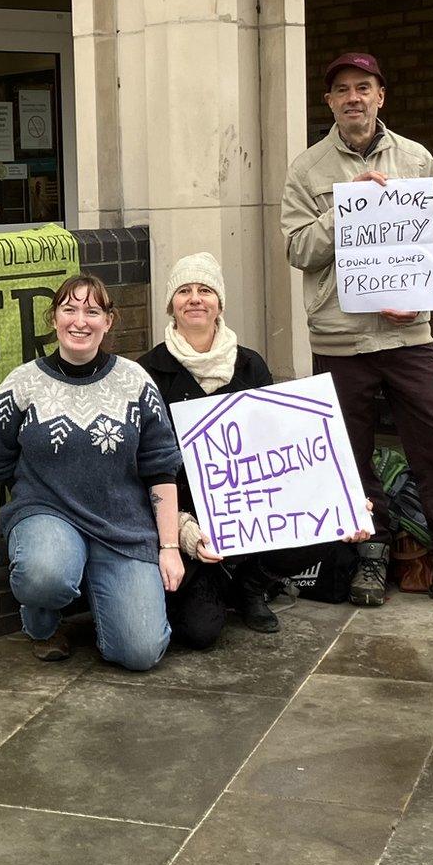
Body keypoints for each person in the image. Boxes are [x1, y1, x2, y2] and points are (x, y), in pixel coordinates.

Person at [281, 52, 433, 610]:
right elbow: (297, 249)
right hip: (340, 337)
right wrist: (347, 209)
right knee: (351, 454)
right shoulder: (307, 169)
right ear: (329, 103)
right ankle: (372, 554)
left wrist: (423, 292)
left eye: (363, 87)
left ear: (380, 96)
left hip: (409, 335)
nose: (353, 98)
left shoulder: (415, 158)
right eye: (341, 90)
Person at [0, 275, 184, 668]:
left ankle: (99, 594)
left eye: (92, 311)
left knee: (139, 653)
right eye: (69, 309)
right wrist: (36, 489)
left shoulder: (135, 382)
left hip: (121, 524)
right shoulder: (23, 384)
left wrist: (169, 547)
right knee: (46, 572)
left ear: (108, 321)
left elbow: (162, 469)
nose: (79, 321)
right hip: (47, 514)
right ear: (54, 319)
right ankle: (43, 623)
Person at [139, 253, 345, 643]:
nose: (195, 298)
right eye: (184, 291)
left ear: (220, 303)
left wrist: (339, 491)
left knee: (329, 521)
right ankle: (215, 578)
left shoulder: (251, 365)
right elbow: (144, 462)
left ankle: (253, 583)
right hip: (186, 518)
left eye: (205, 290)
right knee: (199, 633)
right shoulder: (149, 371)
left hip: (250, 506)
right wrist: (183, 529)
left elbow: (280, 441)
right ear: (171, 305)